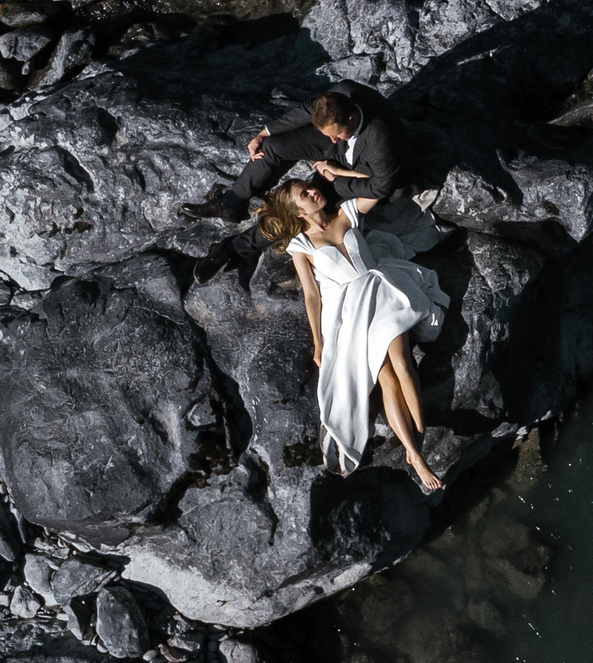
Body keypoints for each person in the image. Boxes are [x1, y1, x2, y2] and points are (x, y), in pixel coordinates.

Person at [259, 177, 451, 492]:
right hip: (349, 311)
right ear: (297, 212)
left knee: (402, 363)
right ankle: (415, 455)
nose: (312, 190)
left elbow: (379, 186)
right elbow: (311, 295)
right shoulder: (301, 245)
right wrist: (318, 343)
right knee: (386, 377)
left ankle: (417, 441)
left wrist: (336, 172)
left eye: (309, 185)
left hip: (380, 292)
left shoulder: (346, 213)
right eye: (303, 194)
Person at [187, 81, 409, 222]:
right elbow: (307, 110)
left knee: (305, 211)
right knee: (272, 147)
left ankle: (238, 248)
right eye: (328, 133)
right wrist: (264, 133)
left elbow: (381, 186)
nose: (331, 139)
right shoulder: (342, 93)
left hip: (360, 169)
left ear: (351, 118)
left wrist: (336, 179)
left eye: (336, 133)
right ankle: (231, 203)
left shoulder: (380, 139)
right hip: (343, 150)